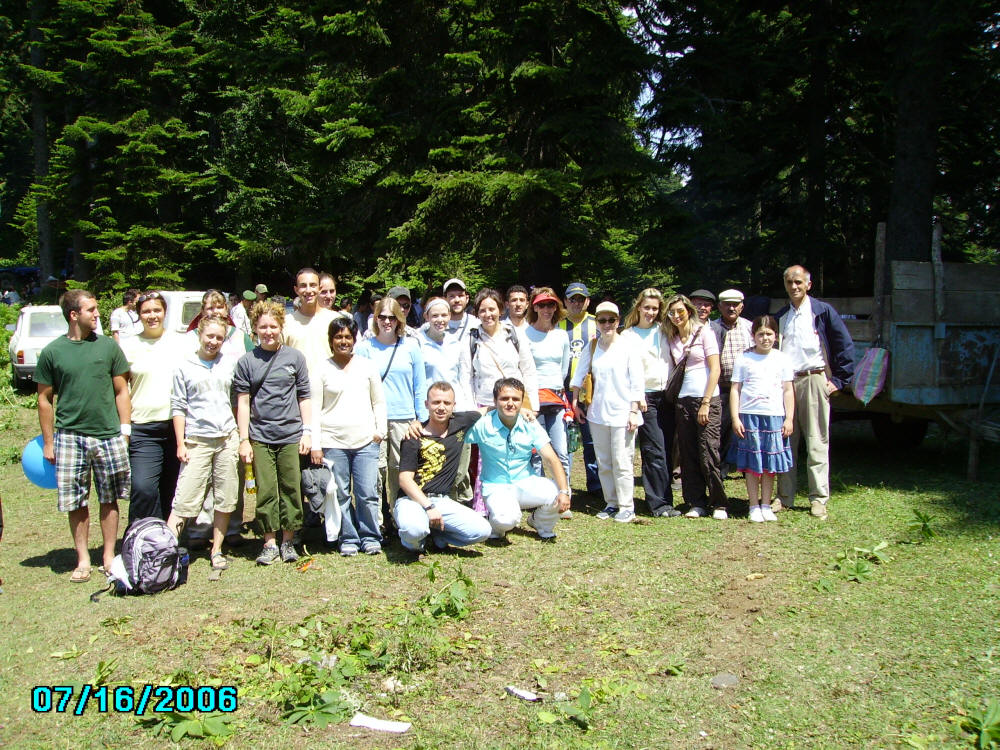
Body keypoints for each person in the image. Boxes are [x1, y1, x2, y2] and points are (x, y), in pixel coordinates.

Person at [35, 289, 131, 583]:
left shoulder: (108, 348)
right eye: (91, 309)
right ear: (74, 315)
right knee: (76, 501)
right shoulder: (53, 352)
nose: (97, 313)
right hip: (69, 437)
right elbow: (44, 399)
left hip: (107, 435)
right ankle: (83, 559)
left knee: (110, 498)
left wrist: (124, 430)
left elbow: (121, 390)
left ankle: (108, 556)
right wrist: (49, 441)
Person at [234, 301, 313, 565]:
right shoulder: (247, 361)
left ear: (281, 327)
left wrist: (307, 432)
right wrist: (244, 439)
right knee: (266, 490)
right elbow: (243, 402)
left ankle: (288, 541)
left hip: (290, 434)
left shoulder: (295, 358)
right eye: (262, 327)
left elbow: (304, 396)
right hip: (260, 436)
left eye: (273, 326)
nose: (268, 332)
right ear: (254, 329)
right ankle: (269, 542)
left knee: (291, 487)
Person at [775, 265, 855, 519]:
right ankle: (784, 497)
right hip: (787, 384)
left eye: (798, 282)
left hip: (814, 379)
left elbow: (844, 345)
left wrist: (840, 380)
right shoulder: (782, 316)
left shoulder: (822, 312)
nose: (794, 287)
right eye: (789, 282)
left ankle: (818, 498)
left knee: (817, 441)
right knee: (786, 441)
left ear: (808, 284)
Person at [165, 315, 240, 569]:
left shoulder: (229, 364)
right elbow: (178, 406)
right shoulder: (184, 366)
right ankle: (166, 549)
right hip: (197, 439)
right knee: (185, 497)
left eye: (219, 337)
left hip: (227, 437)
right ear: (199, 334)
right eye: (210, 336)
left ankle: (217, 550)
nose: (214, 342)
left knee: (226, 496)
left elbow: (236, 400)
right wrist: (180, 442)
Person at [311, 316, 387, 555]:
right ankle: (349, 538)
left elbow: (379, 401)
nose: (343, 341)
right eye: (338, 337)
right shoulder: (321, 368)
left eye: (347, 337)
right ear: (331, 341)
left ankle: (371, 536)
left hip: (366, 441)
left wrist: (380, 431)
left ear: (354, 339)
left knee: (367, 493)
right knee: (341, 494)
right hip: (333, 442)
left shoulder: (367, 366)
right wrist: (316, 444)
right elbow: (314, 409)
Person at [464, 378, 570, 541]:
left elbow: (551, 459)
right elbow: (459, 421)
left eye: (515, 399)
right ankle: (497, 526)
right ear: (495, 400)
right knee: (506, 520)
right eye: (504, 399)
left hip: (526, 483)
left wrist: (563, 492)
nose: (510, 403)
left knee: (560, 491)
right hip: (496, 487)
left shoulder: (530, 423)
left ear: (522, 401)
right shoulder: (483, 424)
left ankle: (540, 522)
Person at [394, 382, 492, 552]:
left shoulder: (461, 423)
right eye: (436, 402)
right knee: (414, 530)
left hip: (441, 500)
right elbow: (404, 479)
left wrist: (524, 411)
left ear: (454, 405)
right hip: (411, 500)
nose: (441, 407)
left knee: (483, 531)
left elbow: (491, 409)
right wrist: (428, 507)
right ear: (426, 405)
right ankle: (416, 540)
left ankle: (436, 534)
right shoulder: (413, 436)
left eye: (447, 403)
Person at [570, 302, 644, 523]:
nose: (607, 324)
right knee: (604, 461)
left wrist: (633, 411)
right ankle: (611, 502)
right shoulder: (591, 347)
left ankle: (626, 505)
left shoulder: (628, 347)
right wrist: (575, 404)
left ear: (618, 321)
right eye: (602, 320)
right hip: (597, 413)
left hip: (623, 414)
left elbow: (637, 382)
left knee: (623, 460)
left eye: (611, 320)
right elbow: (578, 377)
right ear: (597, 323)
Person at [355, 297, 427, 506]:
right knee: (376, 469)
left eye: (392, 318)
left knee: (399, 469)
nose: (387, 322)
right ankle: (377, 517)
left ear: (399, 320)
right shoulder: (364, 348)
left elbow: (419, 385)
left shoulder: (411, 347)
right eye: (382, 317)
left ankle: (399, 513)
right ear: (375, 319)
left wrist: (420, 419)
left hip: (403, 419)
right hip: (373, 419)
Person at [120, 291, 182, 527]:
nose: (152, 315)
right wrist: (124, 428)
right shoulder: (128, 345)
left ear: (165, 313)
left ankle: (169, 543)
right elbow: (121, 389)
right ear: (139, 315)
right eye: (146, 311)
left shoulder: (182, 342)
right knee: (143, 488)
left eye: (157, 310)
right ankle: (142, 537)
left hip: (177, 428)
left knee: (173, 490)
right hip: (143, 428)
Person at [664, 294, 727, 519]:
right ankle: (696, 502)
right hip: (683, 401)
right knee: (688, 454)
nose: (676, 316)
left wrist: (706, 402)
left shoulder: (705, 332)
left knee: (708, 451)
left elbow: (715, 369)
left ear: (688, 311)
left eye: (680, 311)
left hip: (707, 399)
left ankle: (719, 503)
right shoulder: (671, 338)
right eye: (672, 313)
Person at [620, 288, 680, 517]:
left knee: (666, 451)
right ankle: (659, 504)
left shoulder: (665, 330)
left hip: (668, 395)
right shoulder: (628, 336)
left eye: (655, 308)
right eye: (647, 307)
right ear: (638, 307)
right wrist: (636, 399)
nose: (651, 312)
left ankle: (666, 500)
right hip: (644, 399)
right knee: (653, 450)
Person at [729, 315, 794, 522]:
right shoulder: (744, 358)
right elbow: (735, 389)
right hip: (749, 416)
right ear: (753, 335)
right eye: (760, 334)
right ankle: (753, 505)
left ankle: (766, 504)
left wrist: (789, 418)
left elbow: (788, 390)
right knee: (752, 464)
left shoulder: (782, 359)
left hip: (774, 416)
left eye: (769, 334)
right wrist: (735, 417)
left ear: (776, 336)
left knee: (769, 464)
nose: (765, 338)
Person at [523, 287, 571, 486]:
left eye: (550, 304)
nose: (546, 309)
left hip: (556, 398)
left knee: (561, 451)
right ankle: (539, 496)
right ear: (534, 307)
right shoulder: (525, 334)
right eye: (541, 305)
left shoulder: (561, 336)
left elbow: (564, 370)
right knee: (535, 452)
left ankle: (564, 492)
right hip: (534, 401)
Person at [559, 282, 601, 496]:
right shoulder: (557, 325)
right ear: (565, 301)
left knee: (592, 439)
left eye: (580, 299)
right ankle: (564, 486)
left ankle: (596, 486)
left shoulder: (598, 323)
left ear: (587, 301)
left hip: (591, 392)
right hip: (564, 391)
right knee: (567, 439)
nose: (576, 303)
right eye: (572, 299)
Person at [711, 289, 754, 474]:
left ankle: (746, 466)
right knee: (721, 428)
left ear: (742, 306)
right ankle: (720, 466)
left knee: (747, 429)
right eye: (727, 304)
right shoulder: (711, 328)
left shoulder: (750, 328)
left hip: (746, 388)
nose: (731, 308)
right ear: (719, 306)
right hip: (721, 386)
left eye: (735, 304)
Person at [283, 267, 342, 383]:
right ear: (296, 290)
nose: (308, 290)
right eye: (303, 285)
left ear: (319, 288)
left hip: (330, 387)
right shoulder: (286, 323)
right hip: (299, 390)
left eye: (313, 285)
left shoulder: (335, 320)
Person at [417, 297, 474, 407]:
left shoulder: (456, 343)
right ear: (426, 317)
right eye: (435, 316)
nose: (440, 320)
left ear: (449, 316)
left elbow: (463, 378)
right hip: (431, 407)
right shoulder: (418, 342)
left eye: (444, 315)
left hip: (454, 407)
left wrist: (469, 407)